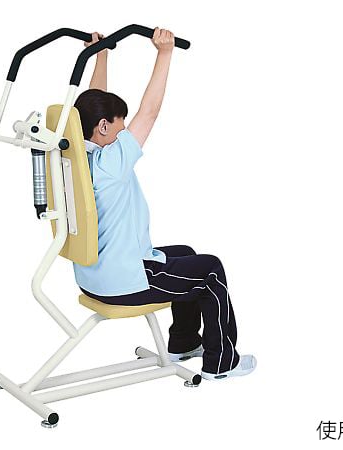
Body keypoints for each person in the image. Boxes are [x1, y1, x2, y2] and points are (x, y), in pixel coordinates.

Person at [72, 28, 256, 380]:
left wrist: (102, 54)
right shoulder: (111, 162)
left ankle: (184, 342)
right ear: (105, 127)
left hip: (95, 275)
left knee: (185, 253)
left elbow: (90, 110)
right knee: (211, 269)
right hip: (125, 283)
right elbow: (150, 113)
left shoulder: (77, 155)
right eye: (121, 126)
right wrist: (165, 53)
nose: (126, 133)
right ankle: (222, 363)